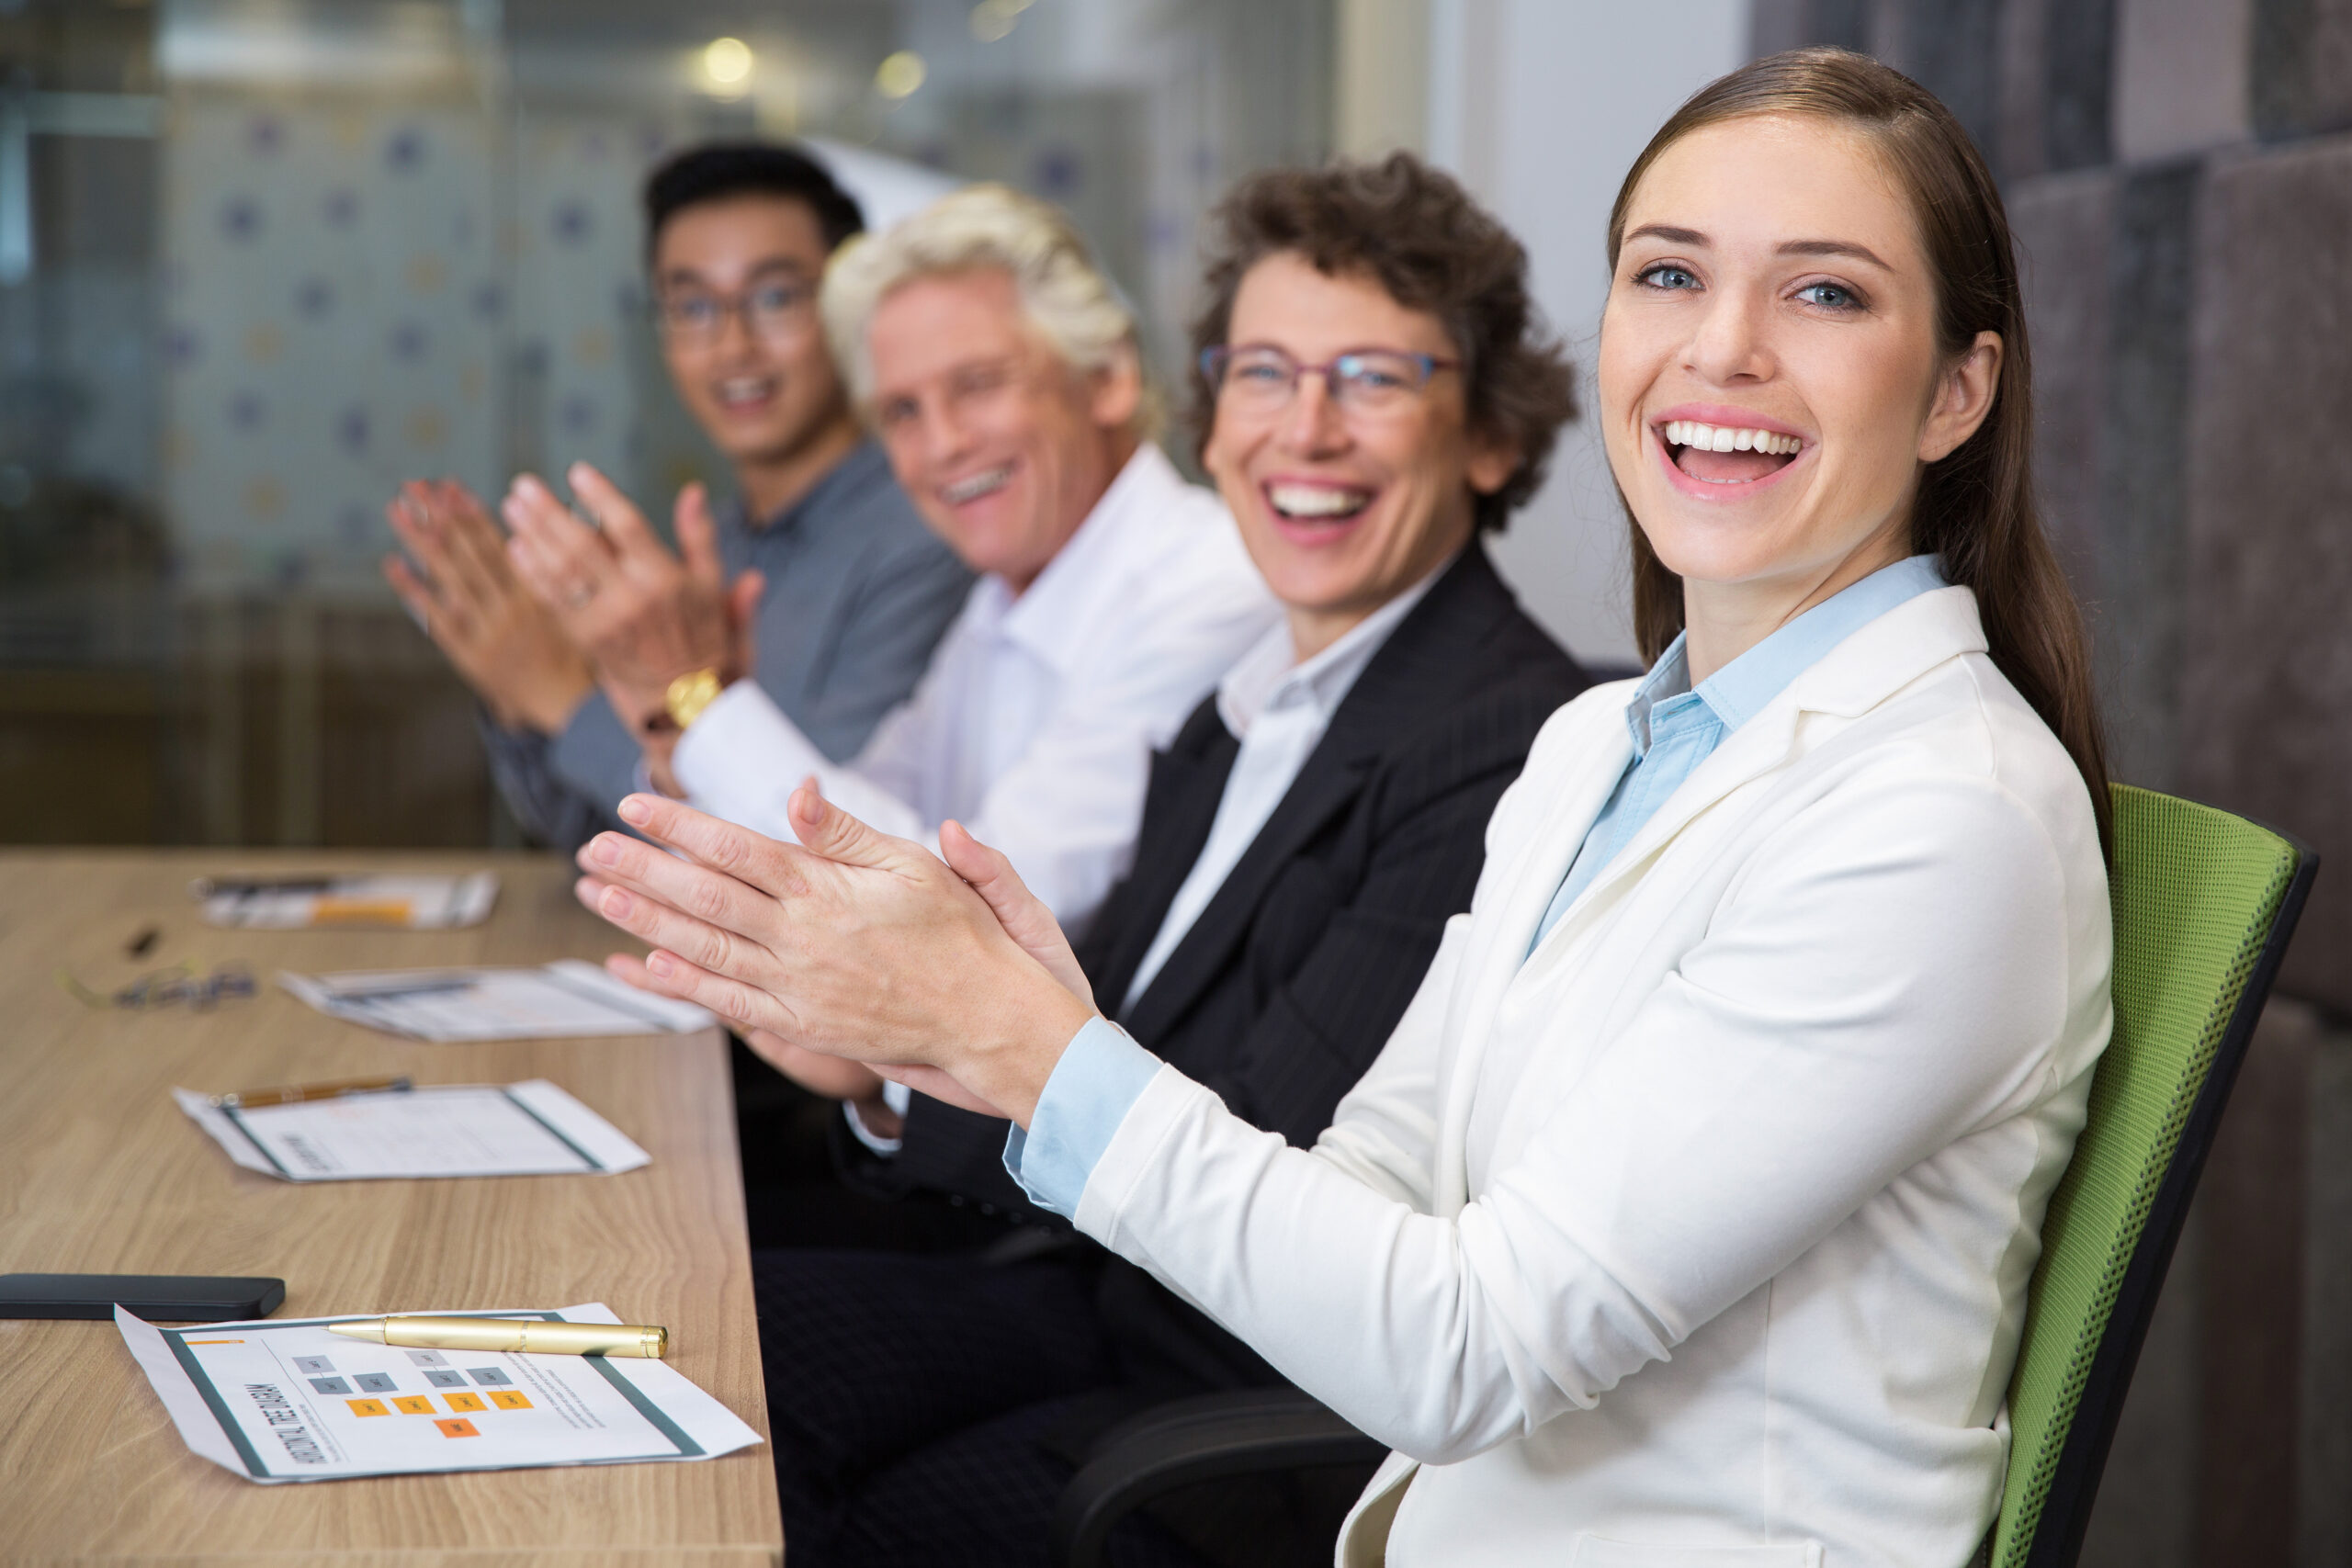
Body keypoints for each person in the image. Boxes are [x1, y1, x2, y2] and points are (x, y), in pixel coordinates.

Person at [573, 48, 2115, 1568]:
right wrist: (1036, 1035)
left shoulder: (1937, 820)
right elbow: (1369, 1171)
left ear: (1957, 390)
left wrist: (1032, 1054)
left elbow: (1470, 1343)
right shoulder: (1601, 745)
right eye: (1666, 275)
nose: (1722, 348)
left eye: (1825, 292)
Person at [729, 155, 1591, 1562]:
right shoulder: (1248, 699)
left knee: (816, 1501)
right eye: (1262, 372)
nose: (1301, 429)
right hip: (1097, 1298)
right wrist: (896, 1077)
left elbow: (1264, 1146)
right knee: (715, 1350)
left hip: (1238, 1409)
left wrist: (909, 1044)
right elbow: (1110, 1010)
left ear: (1489, 435)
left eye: (1371, 376)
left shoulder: (1501, 739)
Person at [575, 182, 1278, 947]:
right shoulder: (1000, 600)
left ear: (1109, 378)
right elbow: (830, 846)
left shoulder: (1213, 584)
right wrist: (687, 710)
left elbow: (974, 919)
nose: (942, 445)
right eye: (902, 412)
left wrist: (698, 698)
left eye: (977, 385)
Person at [382, 142, 972, 850]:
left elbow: (813, 848)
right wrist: (515, 682)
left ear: (854, 312)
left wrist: (568, 702)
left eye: (776, 297)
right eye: (692, 306)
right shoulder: (712, 541)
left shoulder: (931, 537)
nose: (731, 347)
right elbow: (591, 836)